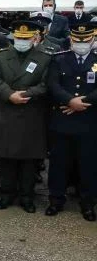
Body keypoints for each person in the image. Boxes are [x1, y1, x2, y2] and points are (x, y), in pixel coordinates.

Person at [0, 20, 51, 213]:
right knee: (6, 159)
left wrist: (26, 94)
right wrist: (9, 94)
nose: (22, 41)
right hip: (7, 111)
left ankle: (27, 196)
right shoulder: (2, 56)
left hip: (31, 113)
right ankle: (6, 194)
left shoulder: (45, 58)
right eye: (18, 38)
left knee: (29, 161)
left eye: (26, 38)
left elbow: (46, 84)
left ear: (35, 38)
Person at [45, 22, 97, 221]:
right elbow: (52, 84)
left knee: (88, 164)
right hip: (62, 119)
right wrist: (68, 100)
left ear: (92, 40)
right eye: (77, 40)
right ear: (71, 40)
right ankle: (56, 199)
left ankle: (88, 203)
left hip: (89, 120)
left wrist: (81, 102)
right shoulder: (59, 59)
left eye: (85, 40)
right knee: (59, 162)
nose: (81, 43)